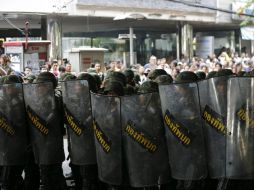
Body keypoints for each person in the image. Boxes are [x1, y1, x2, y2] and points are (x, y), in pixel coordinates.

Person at [25, 72, 66, 190]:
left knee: (52, 177)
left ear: (51, 86)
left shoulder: (57, 101)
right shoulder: (33, 100)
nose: (38, 87)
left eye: (42, 85)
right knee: (34, 176)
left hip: (50, 146)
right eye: (38, 85)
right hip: (35, 145)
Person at [0, 75, 27, 190]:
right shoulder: (5, 100)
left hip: (15, 146)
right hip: (6, 145)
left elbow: (17, 124)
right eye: (6, 87)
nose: (8, 89)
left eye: (11, 87)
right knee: (12, 179)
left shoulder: (19, 102)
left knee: (9, 180)